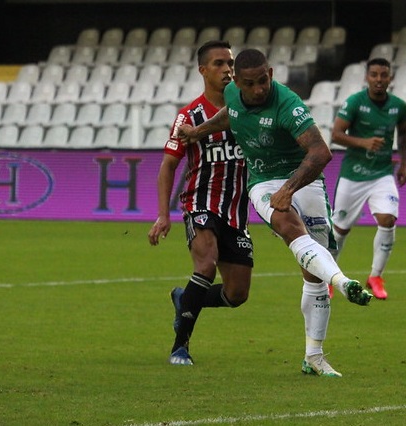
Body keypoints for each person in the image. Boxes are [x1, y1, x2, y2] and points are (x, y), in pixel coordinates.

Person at [178, 48, 372, 378]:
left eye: (263, 81)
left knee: (313, 274)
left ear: (271, 72)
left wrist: (290, 188)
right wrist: (198, 132)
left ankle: (313, 356)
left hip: (303, 178)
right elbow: (231, 114)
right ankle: (342, 281)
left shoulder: (288, 105)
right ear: (237, 81)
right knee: (286, 224)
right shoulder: (232, 93)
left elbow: (321, 153)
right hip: (263, 181)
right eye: (249, 84)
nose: (258, 90)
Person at [147, 40, 252, 366]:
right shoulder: (188, 116)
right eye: (219, 64)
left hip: (236, 213)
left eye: (230, 64)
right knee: (205, 265)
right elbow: (168, 165)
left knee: (237, 295)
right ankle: (181, 346)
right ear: (203, 70)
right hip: (200, 204)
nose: (227, 70)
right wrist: (163, 215)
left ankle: (185, 297)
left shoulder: (247, 110)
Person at [328, 57, 406, 300]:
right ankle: (328, 278)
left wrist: (404, 164)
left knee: (387, 218)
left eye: (383, 75)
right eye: (374, 75)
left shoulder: (399, 106)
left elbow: (403, 134)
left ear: (390, 78)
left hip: (382, 175)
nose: (379, 80)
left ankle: (375, 276)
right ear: (367, 77)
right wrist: (363, 142)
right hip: (353, 175)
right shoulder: (355, 102)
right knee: (340, 229)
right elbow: (335, 134)